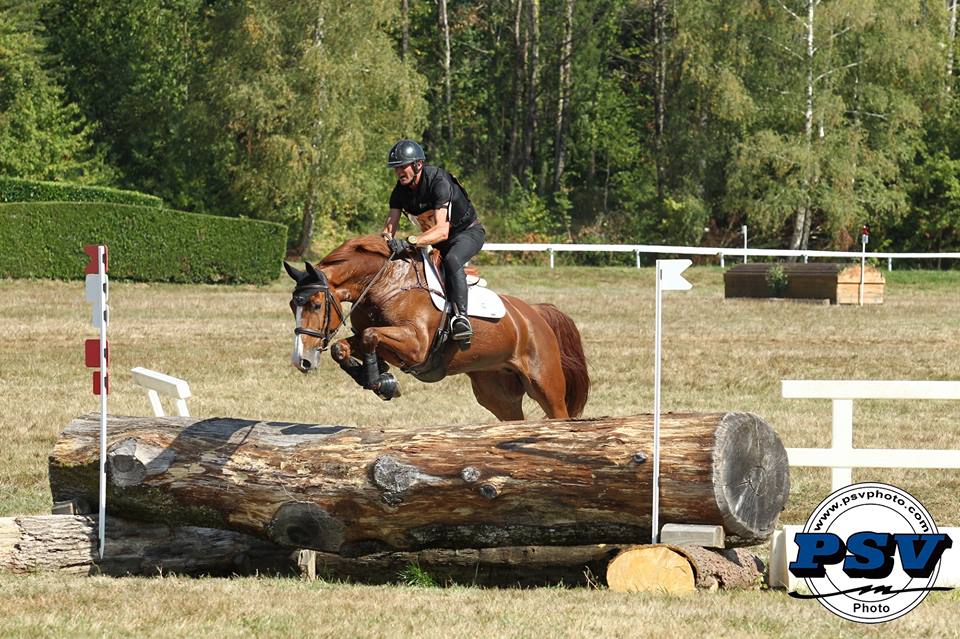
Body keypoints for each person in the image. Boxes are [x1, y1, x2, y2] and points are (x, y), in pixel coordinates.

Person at [381, 139, 485, 343]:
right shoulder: (399, 191)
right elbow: (389, 228)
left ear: (418, 165)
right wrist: (386, 243)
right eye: (396, 169)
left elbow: (442, 231)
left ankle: (461, 319)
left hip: (467, 234)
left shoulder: (438, 182)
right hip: (436, 241)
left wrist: (411, 241)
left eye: (403, 167)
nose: (398, 172)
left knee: (452, 260)